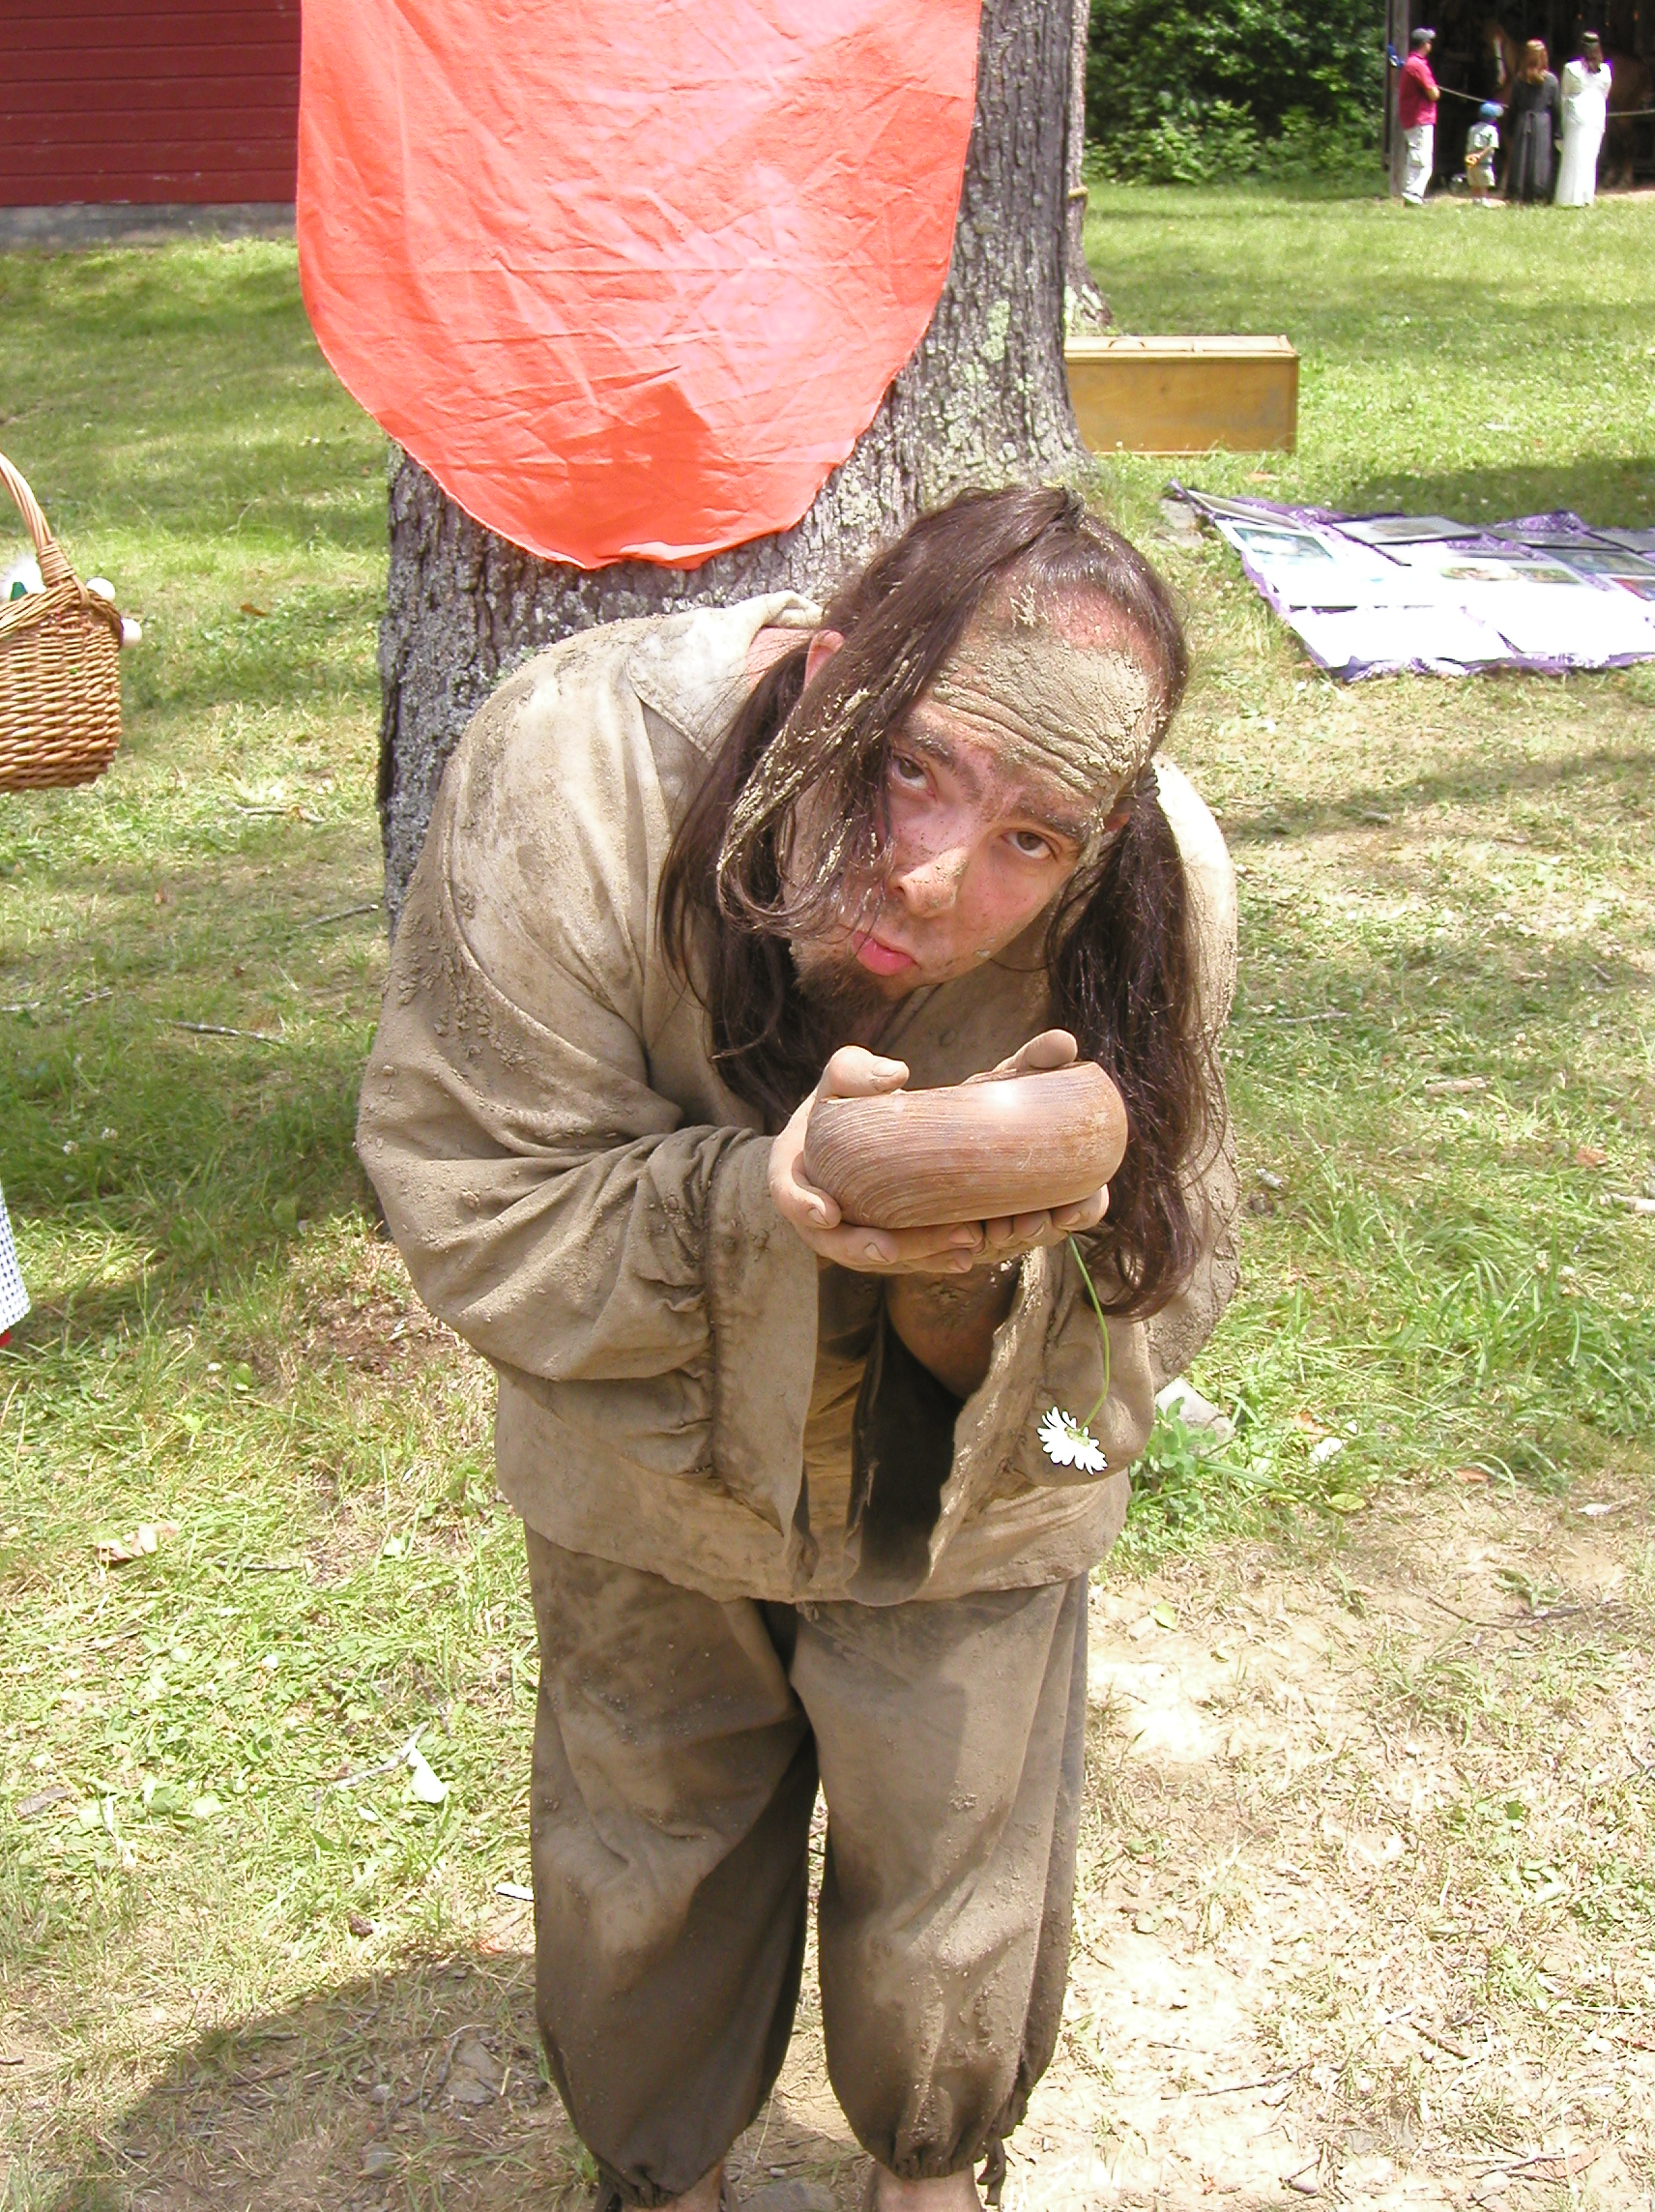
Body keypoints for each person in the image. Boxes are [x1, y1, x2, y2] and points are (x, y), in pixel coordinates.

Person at [357, 486, 1239, 2212]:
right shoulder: (582, 766)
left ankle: (933, 2167)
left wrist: (974, 1287)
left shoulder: (1159, 880)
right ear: (831, 675)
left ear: (1100, 837)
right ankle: (663, 2167)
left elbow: (1163, 1265)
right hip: (646, 1465)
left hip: (965, 1495)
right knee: (650, 1832)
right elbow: (473, 1188)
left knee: (955, 1844)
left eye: (1030, 840)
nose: (936, 877)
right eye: (910, 768)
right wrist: (767, 1208)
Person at [1556, 32, 1612, 205]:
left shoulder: (1571, 68)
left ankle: (1572, 197)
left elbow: (1565, 94)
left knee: (1576, 155)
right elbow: (1605, 93)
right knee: (1588, 157)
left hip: (1579, 115)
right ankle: (1584, 197)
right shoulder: (1606, 71)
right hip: (1595, 114)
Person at [1504, 39, 1563, 202]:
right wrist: (1558, 132)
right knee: (1540, 159)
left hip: (1523, 121)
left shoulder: (1519, 79)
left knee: (1521, 157)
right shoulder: (1551, 81)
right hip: (1543, 123)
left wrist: (1510, 128)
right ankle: (1539, 193)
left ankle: (1518, 191)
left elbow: (1513, 107)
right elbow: (1556, 108)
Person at [1397, 25, 1440, 205]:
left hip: (1412, 118)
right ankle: (1414, 194)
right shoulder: (1418, 65)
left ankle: (1411, 193)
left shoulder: (1411, 63)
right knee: (1423, 160)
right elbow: (1433, 93)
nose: (1430, 44)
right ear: (1424, 44)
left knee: (1414, 157)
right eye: (1429, 41)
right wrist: (1436, 89)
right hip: (1420, 117)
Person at [1465, 101, 1501, 199]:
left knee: (1474, 181)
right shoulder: (1492, 131)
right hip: (1485, 162)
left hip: (1471, 160)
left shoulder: (1472, 129)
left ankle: (1475, 198)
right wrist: (1480, 155)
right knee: (1484, 182)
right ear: (1493, 118)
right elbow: (1492, 146)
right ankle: (1484, 198)